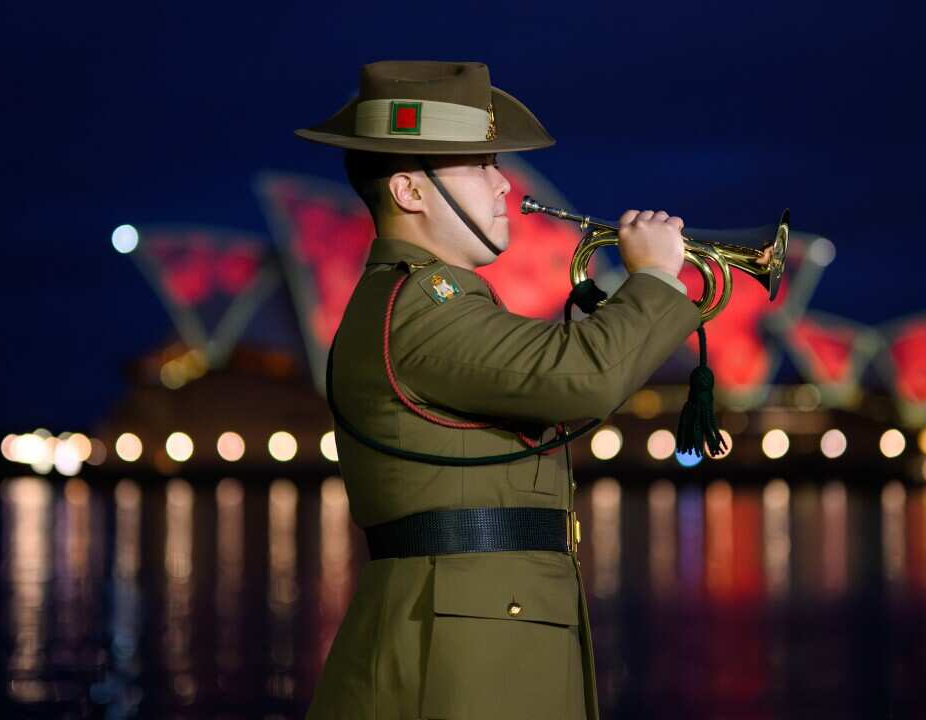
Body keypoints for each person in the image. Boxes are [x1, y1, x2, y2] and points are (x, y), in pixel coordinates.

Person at [297, 60, 700, 720]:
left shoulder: (425, 299)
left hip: (474, 645)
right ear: (409, 190)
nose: (502, 183)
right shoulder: (427, 300)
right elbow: (582, 377)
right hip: (456, 663)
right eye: (478, 165)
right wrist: (652, 280)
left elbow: (549, 370)